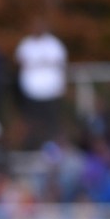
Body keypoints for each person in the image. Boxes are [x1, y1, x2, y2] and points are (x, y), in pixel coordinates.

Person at [13, 15, 68, 150]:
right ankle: (32, 147)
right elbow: (18, 60)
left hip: (51, 92)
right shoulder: (26, 44)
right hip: (31, 92)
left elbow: (61, 64)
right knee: (32, 123)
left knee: (52, 123)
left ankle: (54, 148)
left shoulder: (53, 44)